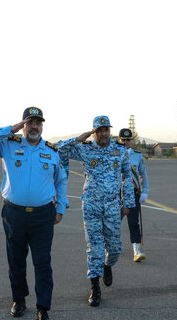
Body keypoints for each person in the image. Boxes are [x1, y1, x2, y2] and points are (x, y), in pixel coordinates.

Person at [0, 107, 67, 320]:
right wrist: (11, 128)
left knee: (43, 263)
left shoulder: (51, 151)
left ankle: (43, 309)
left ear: (42, 126)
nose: (34, 126)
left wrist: (61, 207)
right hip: (14, 214)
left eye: (38, 122)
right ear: (23, 125)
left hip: (43, 215)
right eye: (30, 122)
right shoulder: (8, 144)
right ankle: (19, 300)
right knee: (16, 261)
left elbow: (61, 180)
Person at [58, 116, 135, 307]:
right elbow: (60, 149)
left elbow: (127, 175)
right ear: (94, 132)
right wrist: (79, 138)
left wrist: (128, 203)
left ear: (110, 131)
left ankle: (108, 265)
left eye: (106, 130)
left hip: (112, 205)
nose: (103, 134)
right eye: (99, 130)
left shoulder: (119, 150)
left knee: (115, 247)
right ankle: (95, 286)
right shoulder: (85, 148)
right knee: (95, 246)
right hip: (91, 205)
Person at [118, 128, 149, 262]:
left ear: (132, 140)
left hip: (132, 193)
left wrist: (145, 191)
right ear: (119, 140)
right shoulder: (113, 154)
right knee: (113, 222)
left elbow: (144, 175)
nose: (126, 142)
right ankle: (111, 247)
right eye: (123, 140)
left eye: (128, 139)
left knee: (133, 222)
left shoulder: (137, 156)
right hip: (116, 193)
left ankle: (136, 250)